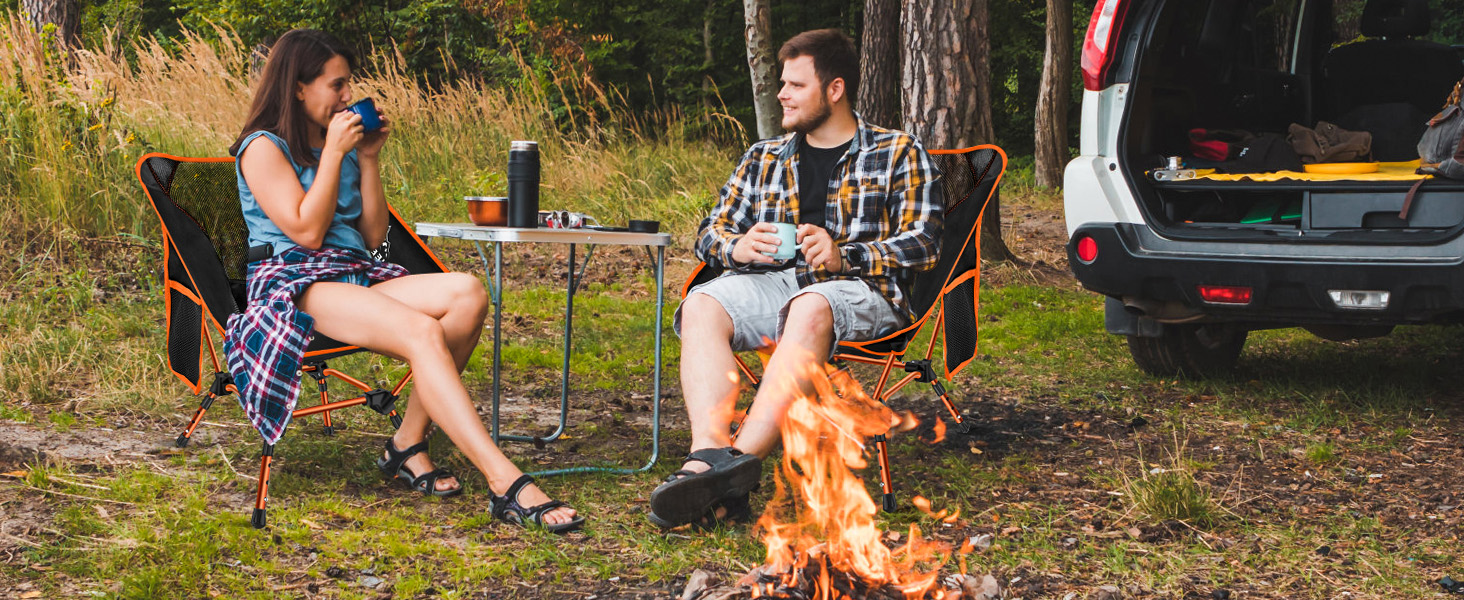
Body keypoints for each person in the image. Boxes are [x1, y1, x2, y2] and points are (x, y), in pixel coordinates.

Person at [228, 29, 582, 533]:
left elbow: (372, 235)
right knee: (422, 331)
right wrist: (332, 154)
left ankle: (406, 443)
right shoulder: (262, 148)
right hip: (297, 283)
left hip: (355, 275)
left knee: (466, 293)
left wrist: (367, 158)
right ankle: (505, 480)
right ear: (298, 87)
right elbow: (305, 231)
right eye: (337, 85)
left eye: (348, 85)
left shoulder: (342, 144)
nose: (347, 96)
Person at [649, 29, 943, 528]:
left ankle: (737, 462)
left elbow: (926, 242)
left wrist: (845, 256)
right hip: (775, 284)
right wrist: (735, 246)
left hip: (861, 291)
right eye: (782, 83)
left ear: (834, 89)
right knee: (701, 303)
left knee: (810, 303)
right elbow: (709, 233)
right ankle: (708, 460)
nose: (781, 93)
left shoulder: (897, 152)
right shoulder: (764, 156)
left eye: (795, 85)